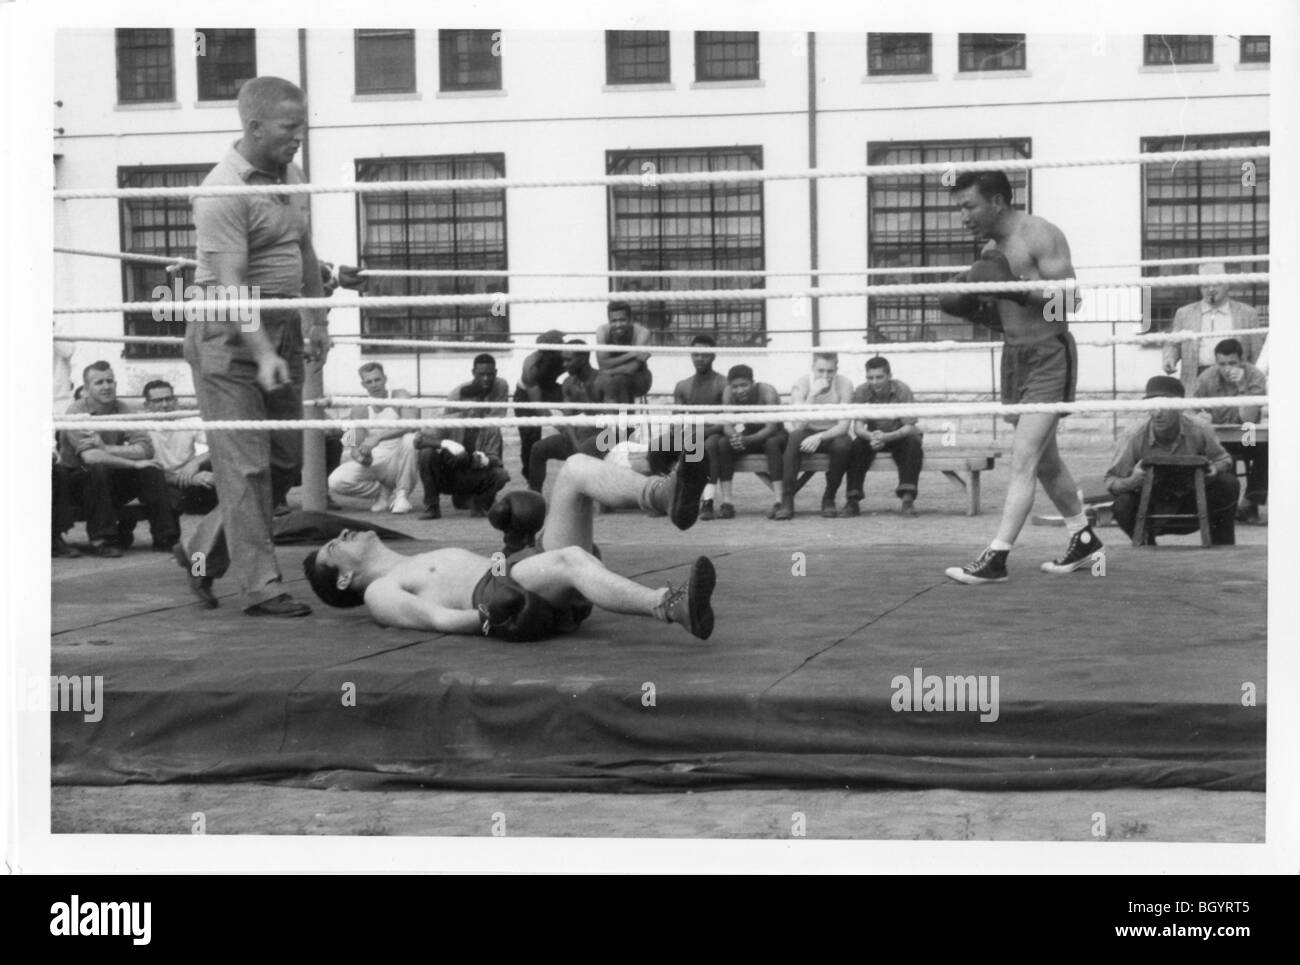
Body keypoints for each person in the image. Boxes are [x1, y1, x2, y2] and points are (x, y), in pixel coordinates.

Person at [177, 75, 329, 617]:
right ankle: (262, 586)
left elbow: (305, 249)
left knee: (285, 460)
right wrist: (263, 352)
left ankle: (202, 548)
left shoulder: (291, 173)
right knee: (245, 468)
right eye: (291, 127)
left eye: (303, 125)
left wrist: (317, 320)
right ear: (254, 126)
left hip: (282, 323)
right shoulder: (222, 190)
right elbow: (231, 282)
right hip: (229, 333)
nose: (300, 137)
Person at [302, 453, 715, 640]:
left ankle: (663, 495)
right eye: (333, 548)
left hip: (518, 571)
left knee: (573, 469)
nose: (342, 535)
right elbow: (439, 620)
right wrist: (490, 616)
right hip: (506, 593)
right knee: (572, 559)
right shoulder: (379, 592)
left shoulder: (413, 559)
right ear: (344, 580)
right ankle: (670, 605)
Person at [940, 170, 1100, 584]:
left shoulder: (1039, 235)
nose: (962, 216)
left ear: (996, 201)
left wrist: (1018, 291)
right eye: (959, 207)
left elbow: (1072, 303)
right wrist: (977, 309)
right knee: (1046, 463)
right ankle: (1083, 538)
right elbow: (1007, 319)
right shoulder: (992, 251)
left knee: (1023, 457)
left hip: (1050, 355)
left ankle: (997, 557)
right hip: (1015, 358)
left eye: (968, 206)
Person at [59, 362, 178, 557]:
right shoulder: (77, 412)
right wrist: (133, 462)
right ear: (87, 389)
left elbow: (146, 449)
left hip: (110, 480)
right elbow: (90, 456)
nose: (106, 386)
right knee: (98, 468)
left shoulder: (124, 409)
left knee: (150, 469)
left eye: (110, 381)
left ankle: (166, 536)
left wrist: (106, 448)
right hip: (77, 484)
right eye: (99, 382)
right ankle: (102, 539)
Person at [1105, 376, 1238, 546]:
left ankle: (1223, 551)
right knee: (1123, 504)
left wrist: (1215, 468)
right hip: (1151, 505)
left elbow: (1224, 459)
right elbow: (1111, 481)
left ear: (1180, 408)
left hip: (1192, 501)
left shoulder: (1200, 429)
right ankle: (1146, 547)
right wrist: (1132, 481)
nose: (1158, 413)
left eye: (1165, 406)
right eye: (1152, 406)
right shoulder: (1134, 436)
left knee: (1228, 484)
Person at [415, 353, 510, 519]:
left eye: (475, 405)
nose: (471, 409)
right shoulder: (452, 419)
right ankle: (430, 506)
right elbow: (418, 439)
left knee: (501, 474)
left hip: (472, 474)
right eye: (467, 405)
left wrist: (487, 460)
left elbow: (497, 461)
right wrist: (444, 443)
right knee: (425, 453)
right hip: (447, 473)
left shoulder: (490, 426)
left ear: (482, 405)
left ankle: (479, 503)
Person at [1193, 338, 1268, 523]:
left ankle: (1250, 502)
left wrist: (1242, 386)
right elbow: (1193, 411)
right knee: (1219, 454)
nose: (1227, 369)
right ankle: (1227, 506)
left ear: (1242, 360)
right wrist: (1202, 417)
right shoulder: (1206, 378)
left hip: (1247, 432)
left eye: (1232, 363)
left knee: (1265, 449)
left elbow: (1248, 418)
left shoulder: (1255, 376)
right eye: (1222, 364)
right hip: (1218, 435)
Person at [773, 352, 854, 520]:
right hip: (806, 432)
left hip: (831, 434)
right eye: (821, 370)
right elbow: (798, 425)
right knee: (795, 437)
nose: (825, 376)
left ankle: (829, 498)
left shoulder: (844, 384)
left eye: (830, 371)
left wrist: (820, 437)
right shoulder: (801, 385)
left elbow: (844, 426)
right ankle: (787, 500)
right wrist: (812, 396)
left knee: (844, 444)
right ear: (812, 368)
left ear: (836, 369)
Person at [328, 363, 418, 514]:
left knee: (410, 439)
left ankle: (402, 495)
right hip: (377, 461)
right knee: (335, 481)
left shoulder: (400, 395)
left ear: (385, 379)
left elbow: (412, 423)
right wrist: (362, 457)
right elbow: (352, 446)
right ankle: (383, 493)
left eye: (377, 380)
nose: (374, 385)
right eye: (369, 382)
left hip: (400, 459)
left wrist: (379, 436)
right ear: (363, 385)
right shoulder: (358, 409)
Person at [1162, 263, 1264, 395]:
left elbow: (1258, 354)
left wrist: (1253, 384)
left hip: (1233, 380)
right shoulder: (1184, 313)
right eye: (1205, 285)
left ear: (1227, 285)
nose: (1210, 289)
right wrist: (1169, 359)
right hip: (1196, 380)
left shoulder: (1247, 313)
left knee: (1231, 414)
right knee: (1197, 415)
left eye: (1216, 284)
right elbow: (1173, 344)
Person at [702, 365, 787, 520]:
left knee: (772, 443)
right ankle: (727, 503)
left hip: (774, 434)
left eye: (744, 385)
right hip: (749, 434)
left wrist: (746, 440)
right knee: (723, 444)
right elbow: (727, 424)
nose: (739, 391)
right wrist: (735, 437)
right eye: (735, 386)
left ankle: (779, 502)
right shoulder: (728, 393)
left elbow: (771, 427)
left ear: (753, 382)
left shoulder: (767, 391)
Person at [844, 356, 924, 517]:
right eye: (870, 378)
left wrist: (886, 437)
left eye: (879, 377)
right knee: (856, 446)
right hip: (874, 437)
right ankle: (853, 500)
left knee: (913, 442)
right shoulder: (861, 391)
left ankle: (907, 499)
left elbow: (909, 427)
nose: (874, 382)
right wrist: (871, 436)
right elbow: (858, 427)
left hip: (899, 435)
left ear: (889, 376)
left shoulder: (902, 390)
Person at [527, 340, 607, 492]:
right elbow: (568, 419)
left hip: (604, 436)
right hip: (578, 436)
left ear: (583, 358)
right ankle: (534, 498)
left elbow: (614, 420)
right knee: (538, 449)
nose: (564, 365)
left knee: (585, 449)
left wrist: (585, 442)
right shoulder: (568, 383)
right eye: (563, 360)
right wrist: (575, 442)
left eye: (568, 360)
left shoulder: (603, 381)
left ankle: (600, 499)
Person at [142, 380, 218, 517]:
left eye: (168, 399)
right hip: (162, 481)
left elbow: (219, 446)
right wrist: (190, 478)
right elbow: (147, 471)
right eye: (158, 401)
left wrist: (195, 463)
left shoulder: (188, 421)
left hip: (189, 475)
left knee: (219, 468)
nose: (165, 405)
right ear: (147, 405)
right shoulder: (141, 428)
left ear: (175, 400)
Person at [673, 335, 729, 519]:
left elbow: (726, 421)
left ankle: (708, 501)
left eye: (704, 354)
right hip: (693, 435)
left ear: (713, 356)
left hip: (717, 435)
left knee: (710, 444)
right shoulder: (683, 386)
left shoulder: (723, 383)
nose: (699, 358)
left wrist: (698, 433)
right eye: (695, 354)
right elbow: (677, 422)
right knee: (662, 446)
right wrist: (679, 434)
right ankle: (669, 498)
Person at [513, 329, 567, 483]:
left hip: (550, 387)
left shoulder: (566, 356)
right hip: (526, 396)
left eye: (562, 342)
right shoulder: (532, 366)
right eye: (559, 344)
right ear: (548, 350)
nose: (563, 345)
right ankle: (531, 477)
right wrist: (561, 426)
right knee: (530, 437)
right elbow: (539, 407)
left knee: (577, 401)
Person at [594, 301, 653, 404]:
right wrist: (631, 354)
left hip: (639, 377)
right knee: (596, 383)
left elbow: (631, 369)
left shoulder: (642, 333)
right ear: (609, 321)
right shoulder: (602, 331)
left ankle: (624, 418)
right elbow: (602, 363)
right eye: (614, 321)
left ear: (630, 320)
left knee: (619, 380)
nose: (618, 325)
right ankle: (603, 417)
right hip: (612, 376)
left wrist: (608, 371)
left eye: (622, 320)